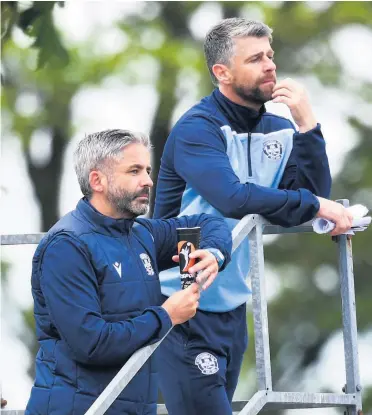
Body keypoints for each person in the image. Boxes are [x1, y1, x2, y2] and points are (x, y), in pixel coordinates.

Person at [151, 18, 354, 415]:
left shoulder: (279, 128)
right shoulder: (197, 128)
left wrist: (307, 125)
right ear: (222, 73)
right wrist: (315, 206)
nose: (270, 66)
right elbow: (231, 197)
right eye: (256, 58)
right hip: (177, 302)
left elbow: (313, 193)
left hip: (231, 306)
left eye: (271, 56)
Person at [25, 130, 232, 415]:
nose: (148, 180)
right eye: (134, 171)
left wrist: (213, 253)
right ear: (97, 180)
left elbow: (208, 224)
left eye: (147, 170)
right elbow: (92, 343)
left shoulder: (142, 233)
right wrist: (167, 316)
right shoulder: (66, 246)